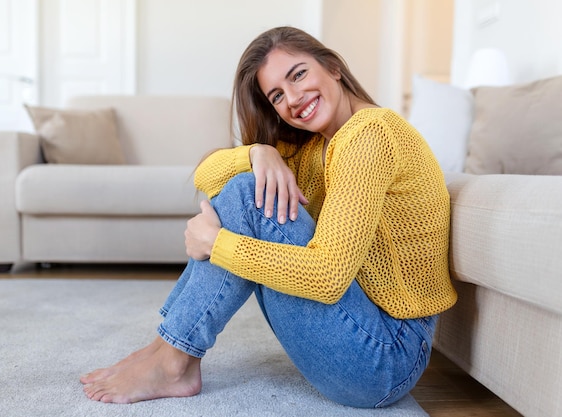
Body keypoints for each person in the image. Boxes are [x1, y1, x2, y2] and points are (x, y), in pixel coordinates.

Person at [80, 26, 457, 408]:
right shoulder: (315, 145)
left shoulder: (369, 135)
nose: (294, 98)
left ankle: (173, 357)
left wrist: (217, 243)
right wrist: (258, 153)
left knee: (249, 196)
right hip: (365, 332)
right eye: (277, 95)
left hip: (389, 357)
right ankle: (167, 349)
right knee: (249, 184)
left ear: (333, 68)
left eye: (298, 74)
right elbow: (206, 176)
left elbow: (327, 277)